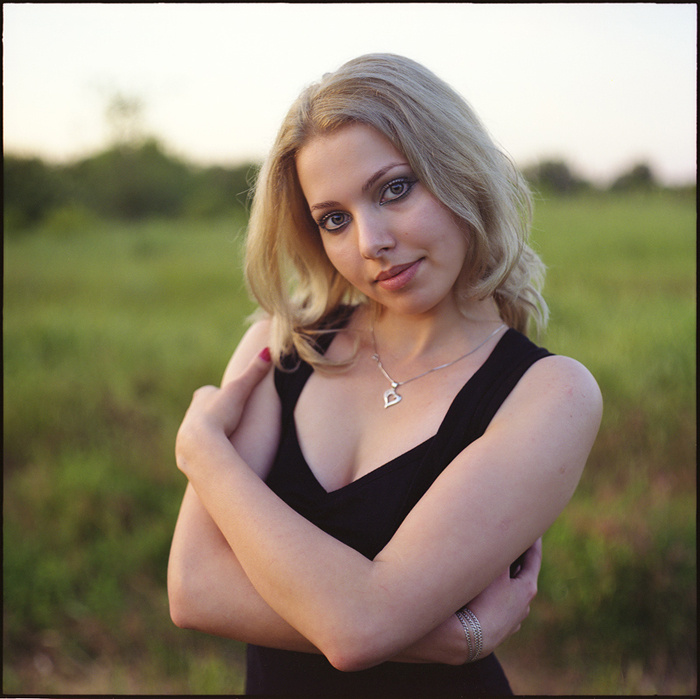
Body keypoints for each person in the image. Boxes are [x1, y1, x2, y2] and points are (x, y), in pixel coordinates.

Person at [168, 53, 602, 696]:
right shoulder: (281, 349)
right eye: (334, 219)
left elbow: (358, 630)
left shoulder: (549, 394)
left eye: (394, 189)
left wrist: (205, 455)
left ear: (460, 170)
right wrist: (440, 641)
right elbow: (193, 589)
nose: (369, 241)